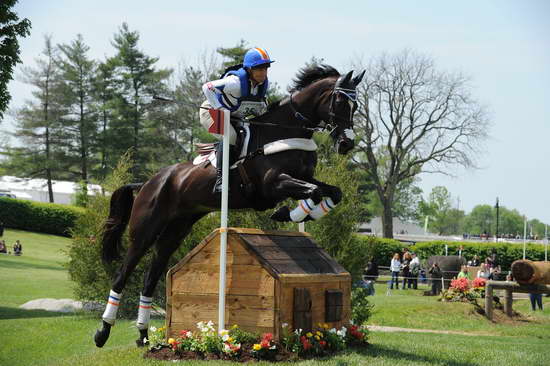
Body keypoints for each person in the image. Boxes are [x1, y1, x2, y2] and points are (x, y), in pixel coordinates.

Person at [200, 47, 274, 193]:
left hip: (234, 117)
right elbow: (207, 87)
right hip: (211, 112)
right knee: (231, 136)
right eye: (259, 68)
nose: (263, 72)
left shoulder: (262, 85)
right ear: (249, 69)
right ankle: (221, 180)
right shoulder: (235, 82)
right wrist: (219, 108)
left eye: (266, 68)